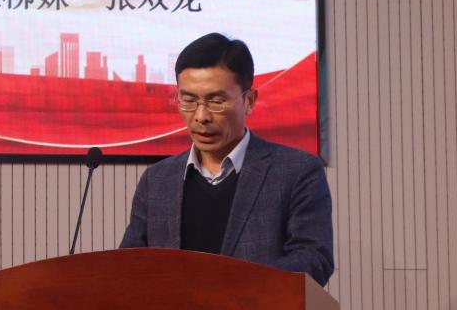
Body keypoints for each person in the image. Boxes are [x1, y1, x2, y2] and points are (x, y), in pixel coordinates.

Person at [119, 32, 334, 286]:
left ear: (249, 100)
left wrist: (227, 285)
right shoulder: (157, 180)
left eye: (216, 101)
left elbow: (313, 259)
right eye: (189, 100)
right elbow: (128, 266)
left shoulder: (297, 172)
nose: (201, 116)